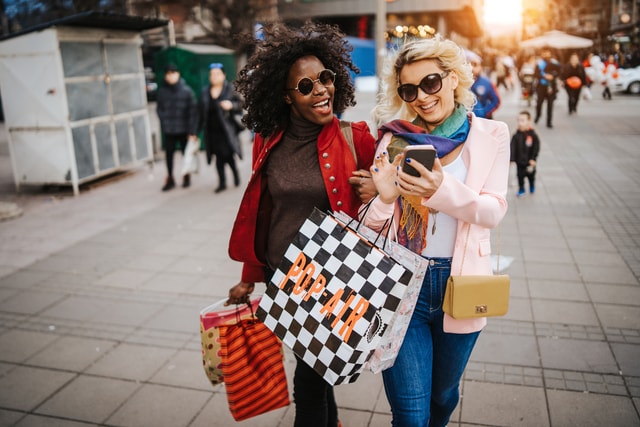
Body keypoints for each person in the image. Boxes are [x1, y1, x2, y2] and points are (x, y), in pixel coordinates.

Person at [224, 21, 376, 427]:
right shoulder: (268, 140)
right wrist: (249, 276)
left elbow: (391, 191)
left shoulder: (354, 138)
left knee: (308, 382)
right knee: (317, 372)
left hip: (329, 280)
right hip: (280, 275)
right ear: (287, 98)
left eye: (325, 78)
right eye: (306, 86)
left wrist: (377, 189)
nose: (322, 90)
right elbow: (265, 212)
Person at [364, 35, 510, 426]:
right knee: (411, 416)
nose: (421, 97)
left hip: (460, 285)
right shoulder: (393, 139)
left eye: (430, 83)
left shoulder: (492, 135)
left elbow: (493, 210)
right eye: (409, 89)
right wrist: (382, 198)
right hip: (401, 283)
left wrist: (440, 191)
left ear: (452, 78)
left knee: (442, 398)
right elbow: (369, 227)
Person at [198, 63, 244, 193]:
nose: (214, 77)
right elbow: (200, 112)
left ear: (223, 75)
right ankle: (222, 182)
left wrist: (231, 105)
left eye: (218, 74)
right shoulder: (205, 92)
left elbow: (241, 104)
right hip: (212, 132)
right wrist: (195, 131)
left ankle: (235, 174)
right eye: (212, 74)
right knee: (218, 157)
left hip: (227, 131)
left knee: (228, 156)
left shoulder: (230, 89)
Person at [156, 63, 199, 191]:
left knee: (186, 154)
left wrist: (192, 130)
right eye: (168, 74)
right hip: (169, 129)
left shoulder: (187, 91)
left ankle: (186, 175)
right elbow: (159, 109)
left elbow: (193, 112)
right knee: (169, 154)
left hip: (184, 129)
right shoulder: (162, 92)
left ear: (178, 74)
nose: (171, 76)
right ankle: (170, 177)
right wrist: (164, 120)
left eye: (173, 73)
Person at [510, 111, 540, 197]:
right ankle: (521, 188)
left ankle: (531, 184)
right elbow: (512, 148)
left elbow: (536, 148)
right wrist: (511, 159)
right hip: (520, 162)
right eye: (518, 120)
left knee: (531, 176)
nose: (520, 123)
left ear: (529, 121)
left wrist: (533, 158)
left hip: (530, 162)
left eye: (522, 120)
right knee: (520, 177)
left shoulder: (533, 135)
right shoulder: (516, 136)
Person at [533, 48, 561, 128]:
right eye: (544, 53)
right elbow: (536, 74)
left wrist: (552, 76)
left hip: (551, 86)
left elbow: (559, 72)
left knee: (550, 105)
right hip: (541, 86)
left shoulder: (554, 63)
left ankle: (549, 122)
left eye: (547, 53)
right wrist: (544, 76)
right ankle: (538, 116)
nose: (546, 54)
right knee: (539, 103)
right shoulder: (539, 63)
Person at [468, 52, 501, 119]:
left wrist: (484, 112)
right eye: (470, 64)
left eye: (475, 65)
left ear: (480, 67)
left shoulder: (487, 83)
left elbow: (496, 100)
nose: (472, 68)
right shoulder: (460, 82)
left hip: (482, 120)